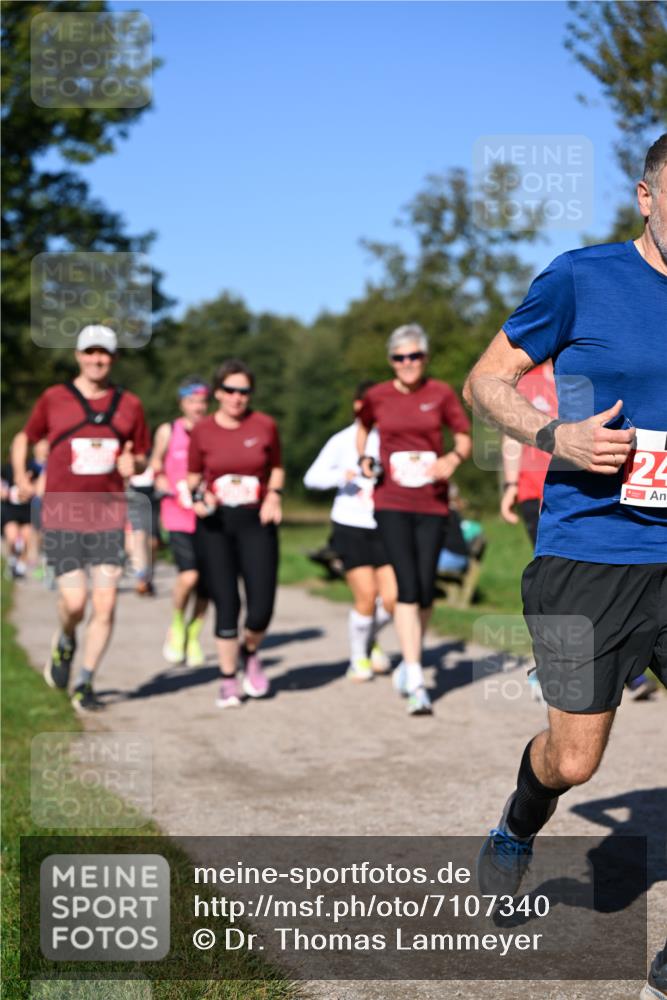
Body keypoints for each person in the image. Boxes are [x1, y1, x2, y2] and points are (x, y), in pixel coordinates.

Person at [464, 134, 667, 897]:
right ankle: (517, 823)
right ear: (645, 198)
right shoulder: (580, 278)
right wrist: (557, 436)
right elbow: (486, 381)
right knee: (574, 759)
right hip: (590, 550)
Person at [11, 324, 150, 712]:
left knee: (105, 604)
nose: (96, 359)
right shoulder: (54, 398)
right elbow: (25, 437)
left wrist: (133, 462)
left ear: (115, 358)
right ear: (77, 355)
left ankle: (85, 682)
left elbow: (140, 454)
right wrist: (22, 477)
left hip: (108, 513)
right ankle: (66, 639)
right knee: (75, 602)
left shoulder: (130, 405)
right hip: (63, 511)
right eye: (89, 352)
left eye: (103, 353)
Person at [357, 323, 472, 715]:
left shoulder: (439, 393)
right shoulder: (377, 396)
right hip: (391, 500)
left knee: (424, 589)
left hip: (432, 504)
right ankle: (416, 675)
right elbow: (362, 427)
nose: (407, 364)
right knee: (406, 586)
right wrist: (365, 459)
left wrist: (451, 459)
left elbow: (463, 436)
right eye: (400, 357)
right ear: (391, 361)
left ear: (424, 358)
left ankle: (410, 654)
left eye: (415, 356)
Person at [187, 359, 283, 708]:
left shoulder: (265, 425)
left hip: (256, 523)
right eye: (230, 390)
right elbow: (193, 477)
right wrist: (200, 497)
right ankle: (228, 679)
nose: (237, 397)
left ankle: (250, 652)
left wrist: (274, 494)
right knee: (227, 603)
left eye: (244, 391)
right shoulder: (203, 430)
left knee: (261, 608)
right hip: (215, 526)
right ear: (217, 393)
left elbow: (277, 468)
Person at [304, 381, 397, 681]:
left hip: (384, 525)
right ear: (357, 406)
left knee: (395, 598)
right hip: (349, 525)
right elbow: (311, 478)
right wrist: (340, 475)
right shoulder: (342, 440)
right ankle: (359, 659)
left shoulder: (390, 438)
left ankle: (367, 639)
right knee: (367, 595)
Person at [151, 376, 210, 667]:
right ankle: (176, 624)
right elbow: (155, 467)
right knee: (189, 576)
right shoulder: (168, 430)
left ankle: (194, 633)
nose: (198, 407)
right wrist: (170, 487)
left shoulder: (214, 429)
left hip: (209, 514)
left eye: (202, 401)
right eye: (192, 401)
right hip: (176, 512)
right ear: (182, 403)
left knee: (208, 582)